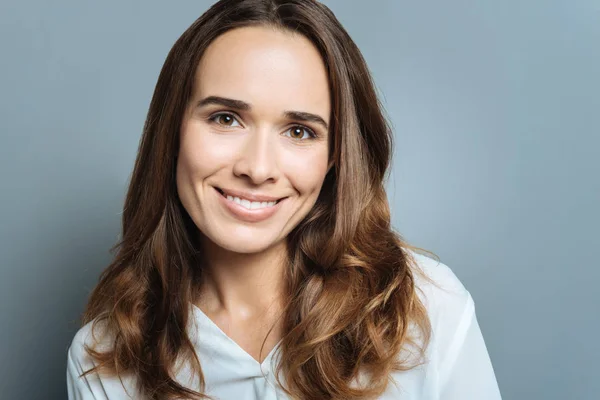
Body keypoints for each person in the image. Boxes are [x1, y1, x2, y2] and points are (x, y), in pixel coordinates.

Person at [66, 0, 502, 399]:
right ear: (173, 132)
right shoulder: (102, 361)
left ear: (335, 157)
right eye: (226, 118)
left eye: (299, 131)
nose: (257, 169)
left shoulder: (428, 310)